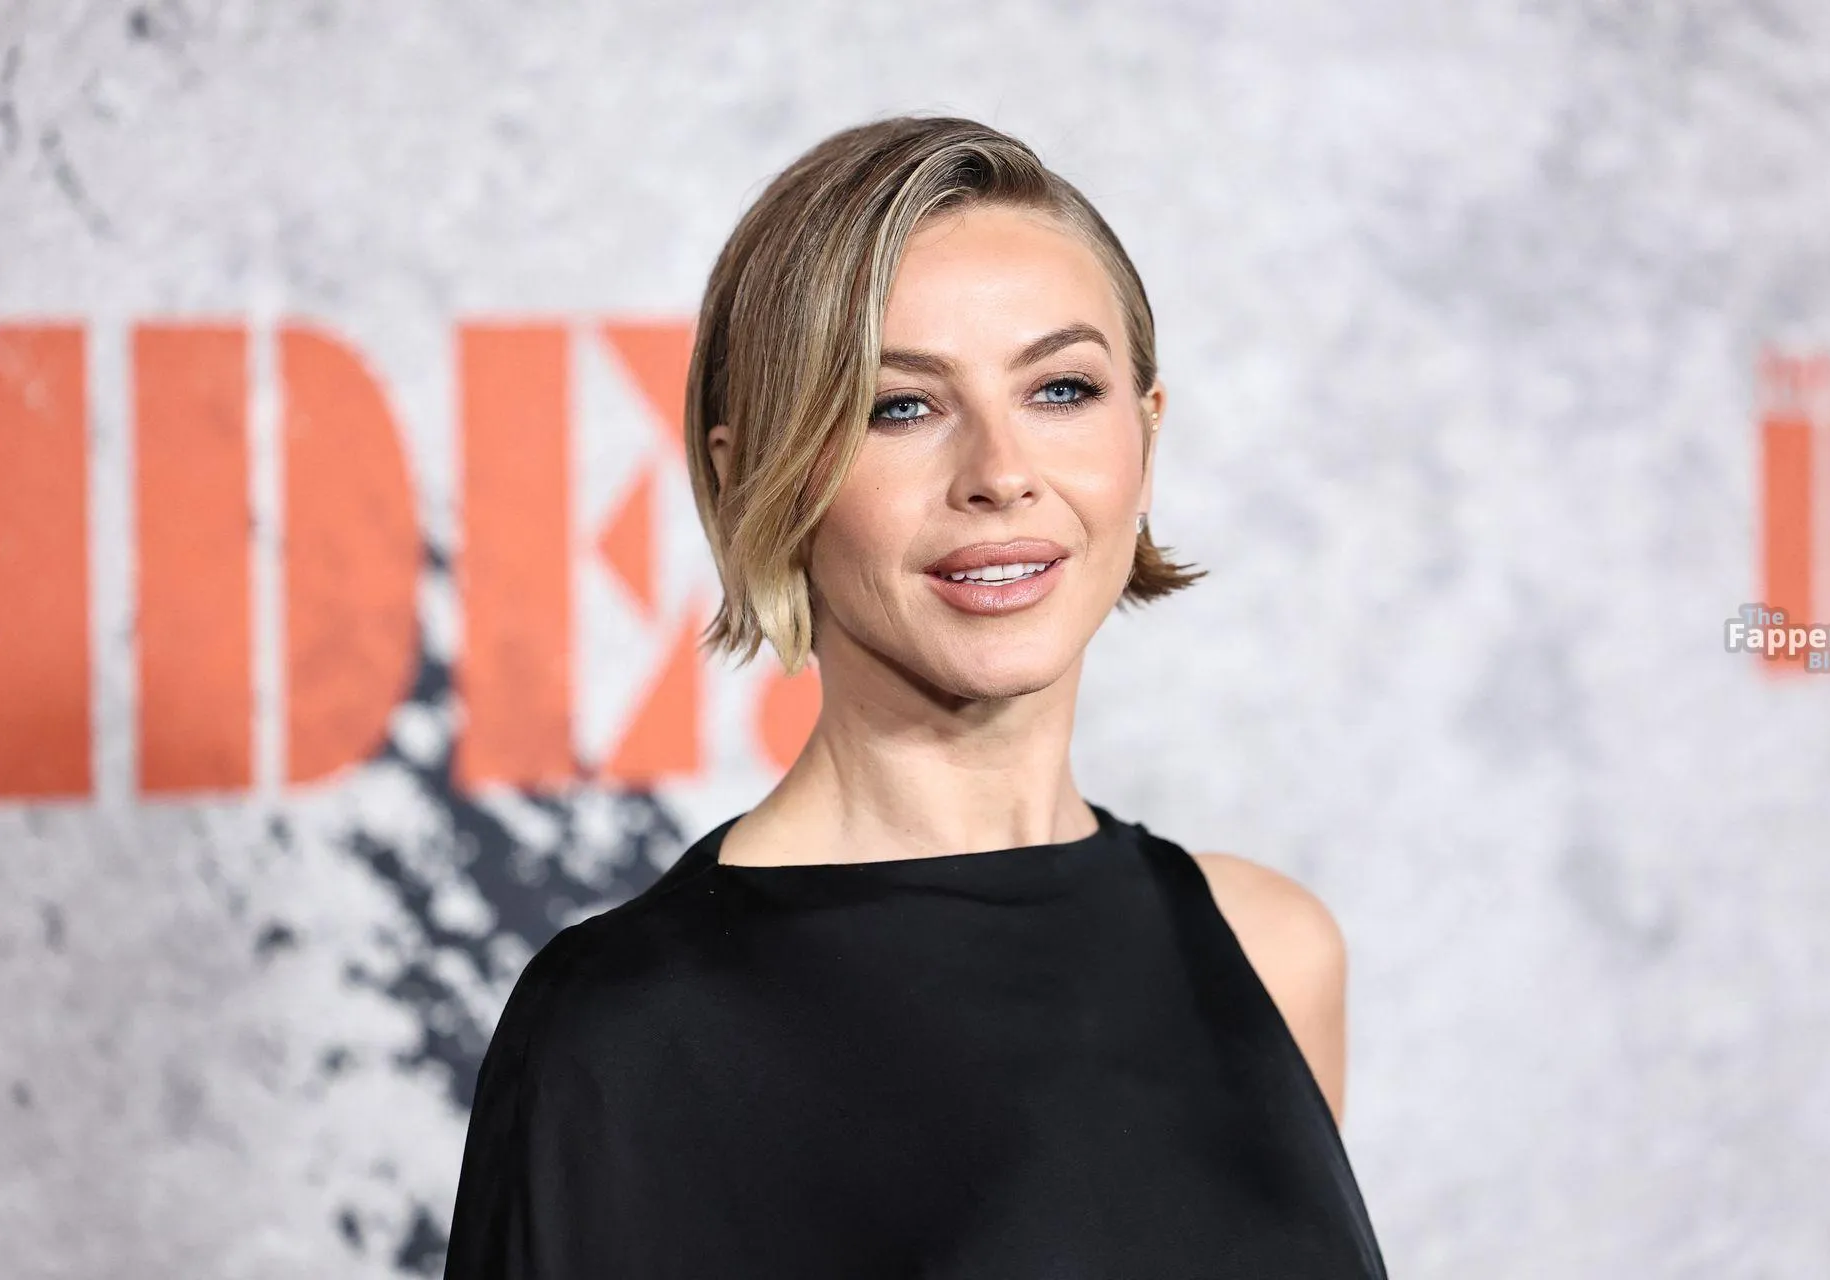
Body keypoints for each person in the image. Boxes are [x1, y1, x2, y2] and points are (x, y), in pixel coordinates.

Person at [442, 114, 1390, 1279]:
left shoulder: (1272, 950)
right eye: (901, 405)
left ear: (1145, 437)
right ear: (751, 477)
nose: (1000, 472)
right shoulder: (627, 1030)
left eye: (1061, 388)